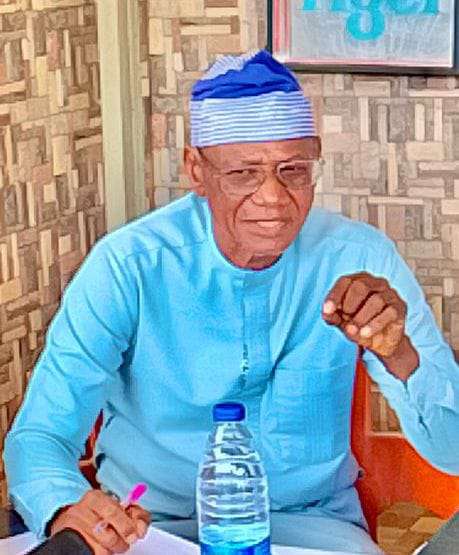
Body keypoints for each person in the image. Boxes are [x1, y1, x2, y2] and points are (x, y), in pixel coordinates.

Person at [5, 50, 459, 555]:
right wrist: (66, 507)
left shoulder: (360, 259)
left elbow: (453, 451)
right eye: (244, 173)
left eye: (293, 170)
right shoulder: (129, 265)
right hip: (155, 531)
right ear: (196, 171)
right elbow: (40, 436)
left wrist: (401, 355)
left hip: (313, 532)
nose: (273, 197)